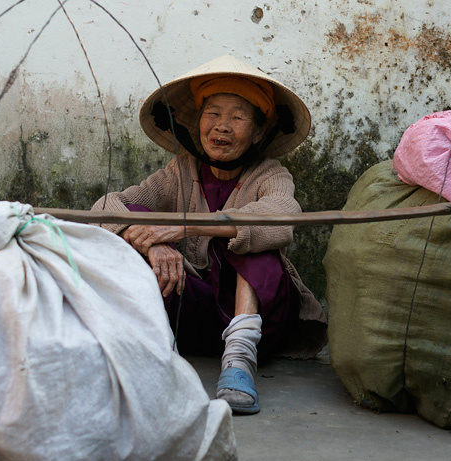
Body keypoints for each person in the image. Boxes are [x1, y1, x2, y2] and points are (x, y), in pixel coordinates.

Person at [92, 55, 327, 415]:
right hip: (194, 312)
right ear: (199, 120)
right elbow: (108, 205)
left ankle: (238, 360)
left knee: (252, 239)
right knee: (131, 229)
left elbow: (281, 217)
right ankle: (152, 352)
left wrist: (185, 226)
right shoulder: (180, 171)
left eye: (238, 116)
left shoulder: (269, 174)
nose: (222, 126)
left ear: (259, 131)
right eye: (213, 113)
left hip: (262, 322)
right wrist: (157, 244)